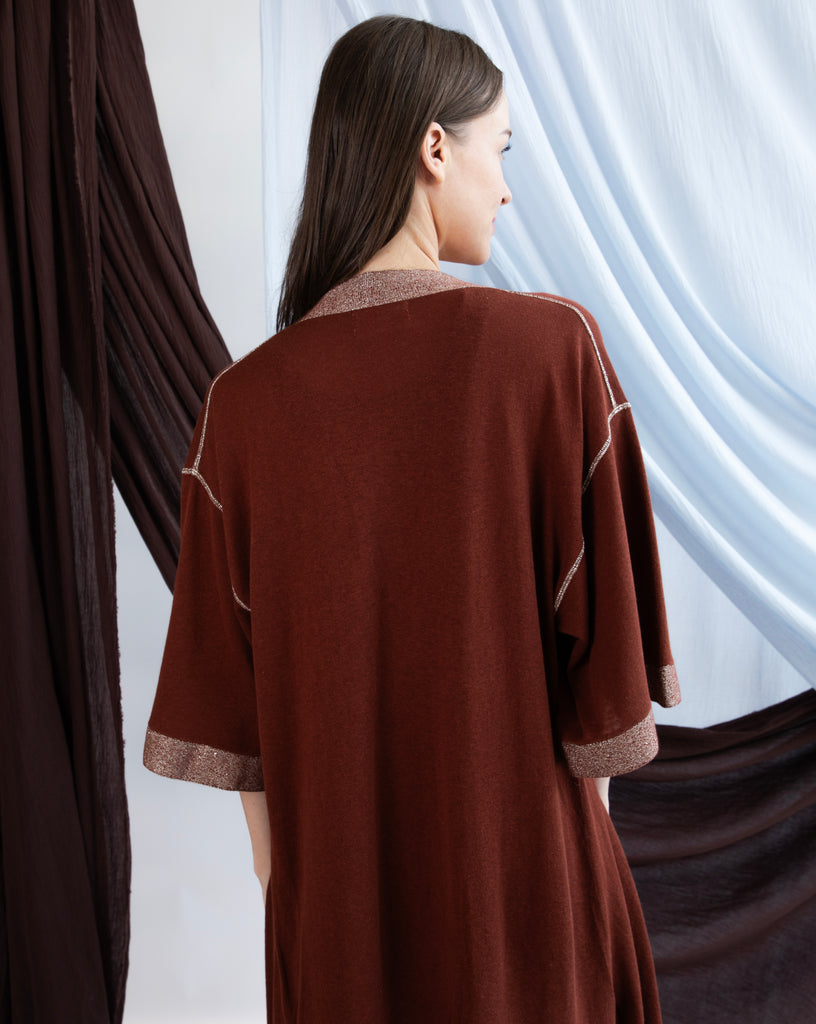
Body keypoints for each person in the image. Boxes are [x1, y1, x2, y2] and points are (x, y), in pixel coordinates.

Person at [143, 14, 681, 1023]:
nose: (507, 187)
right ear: (436, 146)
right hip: (531, 926)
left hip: (339, 944)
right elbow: (605, 715)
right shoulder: (551, 353)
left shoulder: (240, 409)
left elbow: (239, 738)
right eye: (501, 149)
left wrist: (314, 913)